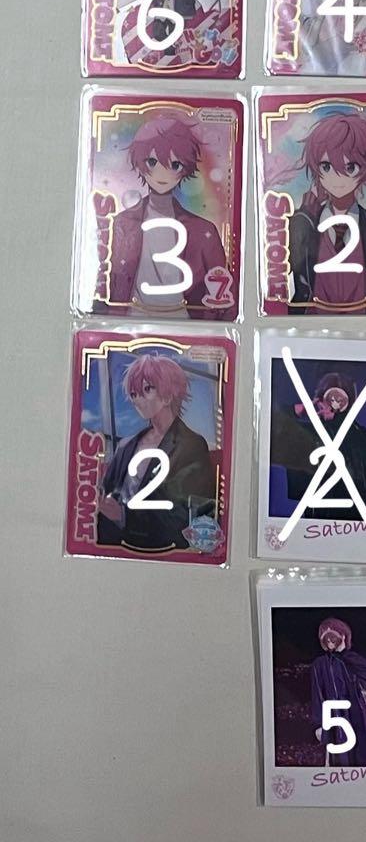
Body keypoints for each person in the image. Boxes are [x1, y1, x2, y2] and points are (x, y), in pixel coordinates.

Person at [107, 115, 233, 320]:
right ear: (140, 163)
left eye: (175, 165)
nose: (162, 174)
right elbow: (106, 279)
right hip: (131, 318)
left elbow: (225, 297)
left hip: (185, 321)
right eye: (152, 162)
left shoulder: (203, 231)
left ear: (185, 168)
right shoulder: (122, 224)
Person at [288, 112, 366, 314]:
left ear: (365, 169)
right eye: (327, 167)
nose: (338, 178)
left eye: (350, 167)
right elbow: (279, 277)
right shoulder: (301, 225)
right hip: (307, 330)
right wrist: (303, 219)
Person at [97, 354, 214, 552]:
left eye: (147, 389)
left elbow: (186, 513)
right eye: (133, 393)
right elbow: (105, 492)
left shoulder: (191, 445)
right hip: (111, 546)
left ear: (169, 394)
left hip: (159, 549)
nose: (137, 399)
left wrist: (124, 516)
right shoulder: (126, 445)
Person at [278, 370, 366, 522]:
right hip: (322, 515)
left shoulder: (354, 433)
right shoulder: (307, 432)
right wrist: (299, 410)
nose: (332, 405)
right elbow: (272, 428)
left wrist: (337, 419)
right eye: (329, 398)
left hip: (356, 514)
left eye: (340, 400)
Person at [310, 617, 366, 768]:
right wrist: (319, 724)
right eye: (326, 638)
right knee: (340, 758)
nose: (329, 641)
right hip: (336, 718)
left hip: (358, 715)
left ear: (343, 636)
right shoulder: (320, 664)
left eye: (333, 637)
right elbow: (317, 693)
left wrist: (345, 653)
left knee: (363, 755)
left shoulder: (353, 660)